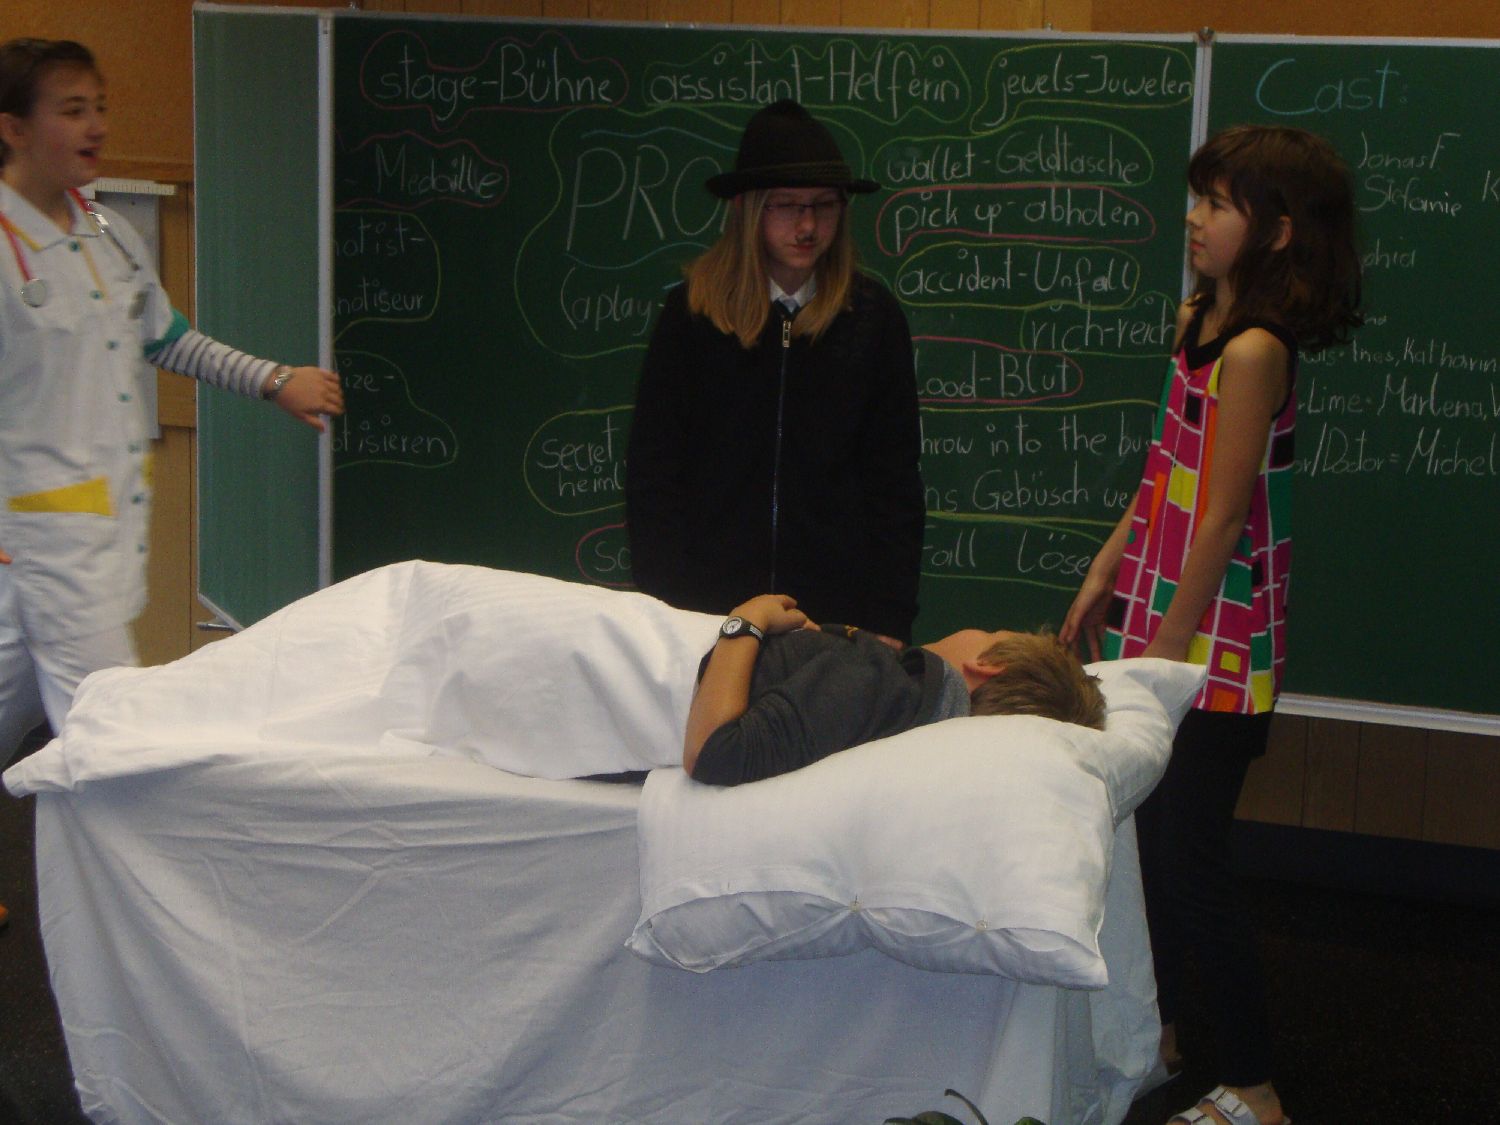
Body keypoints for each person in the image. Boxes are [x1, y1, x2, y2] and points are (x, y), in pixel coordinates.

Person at [1060, 126, 1362, 1125]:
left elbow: (1225, 516)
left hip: (1217, 647)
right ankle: (1165, 1034)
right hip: (1160, 611)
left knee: (1190, 864)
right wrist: (1108, 569)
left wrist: (1159, 662)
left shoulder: (1257, 350)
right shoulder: (1198, 316)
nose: (1193, 219)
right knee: (1147, 850)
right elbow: (1165, 468)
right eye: (1198, 198)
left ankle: (1255, 1086)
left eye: (1218, 205)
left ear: (1276, 231)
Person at [0, 38, 345, 765]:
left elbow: (169, 341)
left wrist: (273, 379)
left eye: (100, 108)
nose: (96, 126)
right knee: (114, 749)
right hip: (42, 548)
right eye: (72, 110)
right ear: (14, 128)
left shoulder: (107, 233)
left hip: (101, 537)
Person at [626, 98, 924, 647]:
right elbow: (654, 474)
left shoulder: (872, 318)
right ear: (749, 210)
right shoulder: (693, 314)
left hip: (836, 619)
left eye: (824, 206)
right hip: (703, 613)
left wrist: (888, 623)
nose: (808, 225)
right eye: (787, 205)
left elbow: (895, 485)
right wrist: (664, 606)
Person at [685, 592, 1105, 786]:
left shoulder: (879, 689)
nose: (976, 630)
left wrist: (747, 620)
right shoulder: (898, 705)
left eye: (989, 633)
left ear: (988, 667)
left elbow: (712, 753)